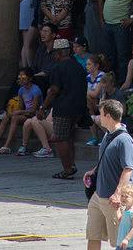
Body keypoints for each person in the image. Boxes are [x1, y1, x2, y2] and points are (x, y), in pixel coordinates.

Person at [86, 99, 133, 250]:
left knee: (119, 242)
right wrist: (94, 170)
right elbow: (108, 159)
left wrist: (117, 194)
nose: (98, 117)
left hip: (113, 199)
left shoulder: (124, 140)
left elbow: (128, 169)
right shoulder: (108, 135)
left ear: (108, 116)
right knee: (93, 235)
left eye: (100, 114)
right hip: (98, 195)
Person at [44, 36, 89, 179]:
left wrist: (42, 107)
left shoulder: (58, 68)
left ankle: (67, 169)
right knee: (69, 137)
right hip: (78, 108)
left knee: (60, 138)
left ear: (59, 53)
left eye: (55, 53)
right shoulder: (78, 67)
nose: (54, 56)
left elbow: (53, 90)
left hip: (63, 108)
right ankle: (72, 164)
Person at [0, 67, 42, 155]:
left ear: (30, 78)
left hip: (33, 114)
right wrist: (12, 112)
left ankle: (6, 146)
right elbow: (20, 106)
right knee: (6, 117)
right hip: (25, 113)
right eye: (19, 78)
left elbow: (33, 110)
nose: (21, 80)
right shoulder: (21, 90)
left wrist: (18, 112)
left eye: (23, 78)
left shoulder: (35, 90)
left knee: (15, 118)